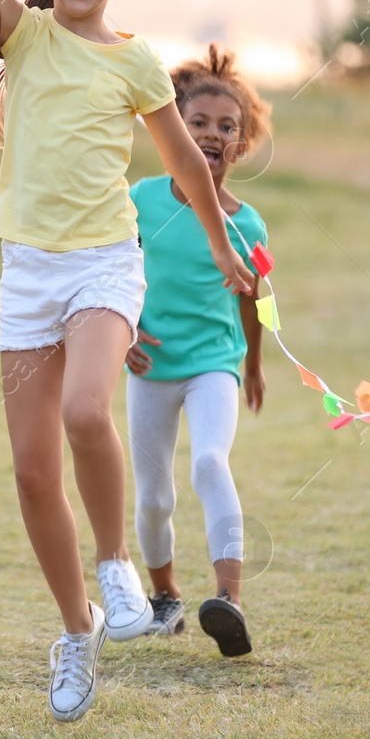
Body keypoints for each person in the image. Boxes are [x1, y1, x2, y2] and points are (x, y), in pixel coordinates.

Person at [0, 0, 254, 722]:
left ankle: (118, 566)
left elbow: (189, 169)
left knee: (89, 410)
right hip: (28, 273)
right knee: (33, 472)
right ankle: (76, 629)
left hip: (104, 265)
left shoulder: (134, 61)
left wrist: (222, 243)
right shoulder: (27, 36)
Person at [124, 45, 270, 657]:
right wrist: (124, 330)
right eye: (199, 124)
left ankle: (228, 600)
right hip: (151, 366)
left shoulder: (249, 225)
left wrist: (253, 365)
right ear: (174, 130)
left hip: (215, 365)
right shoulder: (140, 199)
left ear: (242, 142)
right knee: (154, 496)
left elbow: (253, 298)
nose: (212, 135)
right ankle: (164, 598)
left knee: (210, 462)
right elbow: (115, 269)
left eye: (226, 127)